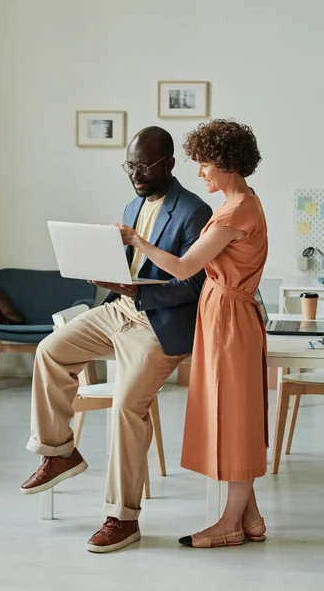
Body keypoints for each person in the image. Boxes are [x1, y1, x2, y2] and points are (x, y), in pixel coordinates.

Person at [21, 126, 212, 553]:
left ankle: (121, 518)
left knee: (127, 405)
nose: (136, 174)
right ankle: (58, 451)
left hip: (160, 325)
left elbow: (193, 287)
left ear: (169, 164)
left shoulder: (195, 212)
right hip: (120, 310)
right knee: (50, 350)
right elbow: (131, 267)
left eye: (145, 165)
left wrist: (138, 291)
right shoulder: (133, 203)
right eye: (130, 166)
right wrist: (108, 274)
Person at [117, 119, 268, 549]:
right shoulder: (241, 202)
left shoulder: (236, 210)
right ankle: (250, 518)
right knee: (230, 414)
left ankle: (229, 524)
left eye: (204, 164)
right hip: (224, 315)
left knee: (234, 419)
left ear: (224, 163)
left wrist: (136, 241)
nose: (199, 173)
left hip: (230, 320)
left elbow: (185, 267)